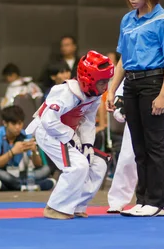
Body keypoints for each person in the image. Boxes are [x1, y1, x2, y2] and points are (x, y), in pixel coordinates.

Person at [106, 0, 164, 218]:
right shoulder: (127, 20)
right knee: (138, 146)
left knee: (154, 144)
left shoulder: (163, 20)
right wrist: (111, 89)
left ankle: (157, 201)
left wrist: (163, 94)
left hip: (153, 82)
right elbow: (123, 59)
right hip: (131, 85)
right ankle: (143, 198)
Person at [26, 51, 114, 219]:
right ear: (89, 79)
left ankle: (75, 205)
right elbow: (48, 121)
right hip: (48, 132)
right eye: (103, 82)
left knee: (98, 163)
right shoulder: (65, 92)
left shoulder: (94, 95)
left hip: (67, 132)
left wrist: (87, 145)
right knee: (78, 165)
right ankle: (55, 207)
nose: (106, 87)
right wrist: (70, 137)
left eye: (107, 81)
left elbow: (88, 121)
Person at [107, 51, 164, 213]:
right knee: (128, 155)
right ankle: (118, 199)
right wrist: (120, 100)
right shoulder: (134, 40)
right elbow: (126, 71)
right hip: (135, 100)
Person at [0, 106, 55, 192]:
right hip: (2, 171)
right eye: (14, 124)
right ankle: (32, 185)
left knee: (46, 169)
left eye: (20, 123)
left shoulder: (25, 135)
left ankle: (8, 186)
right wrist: (12, 152)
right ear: (5, 123)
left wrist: (34, 151)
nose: (18, 127)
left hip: (18, 173)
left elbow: (38, 165)